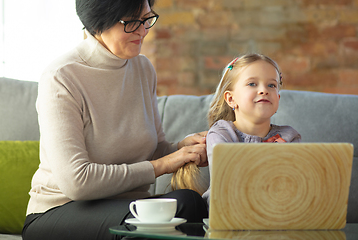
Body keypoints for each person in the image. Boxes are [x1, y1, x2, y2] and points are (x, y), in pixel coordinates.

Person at [22, 1, 208, 239]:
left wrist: (182, 149)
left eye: (146, 19)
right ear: (98, 22)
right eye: (132, 22)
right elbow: (77, 182)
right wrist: (165, 163)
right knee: (183, 208)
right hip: (60, 211)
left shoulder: (143, 69)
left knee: (192, 204)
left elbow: (155, 150)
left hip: (127, 207)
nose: (143, 31)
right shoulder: (61, 77)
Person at [201, 53, 301, 205]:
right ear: (231, 99)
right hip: (230, 209)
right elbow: (230, 182)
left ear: (278, 99)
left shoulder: (290, 136)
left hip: (278, 208)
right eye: (252, 84)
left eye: (271, 85)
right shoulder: (221, 134)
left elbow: (295, 184)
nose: (264, 90)